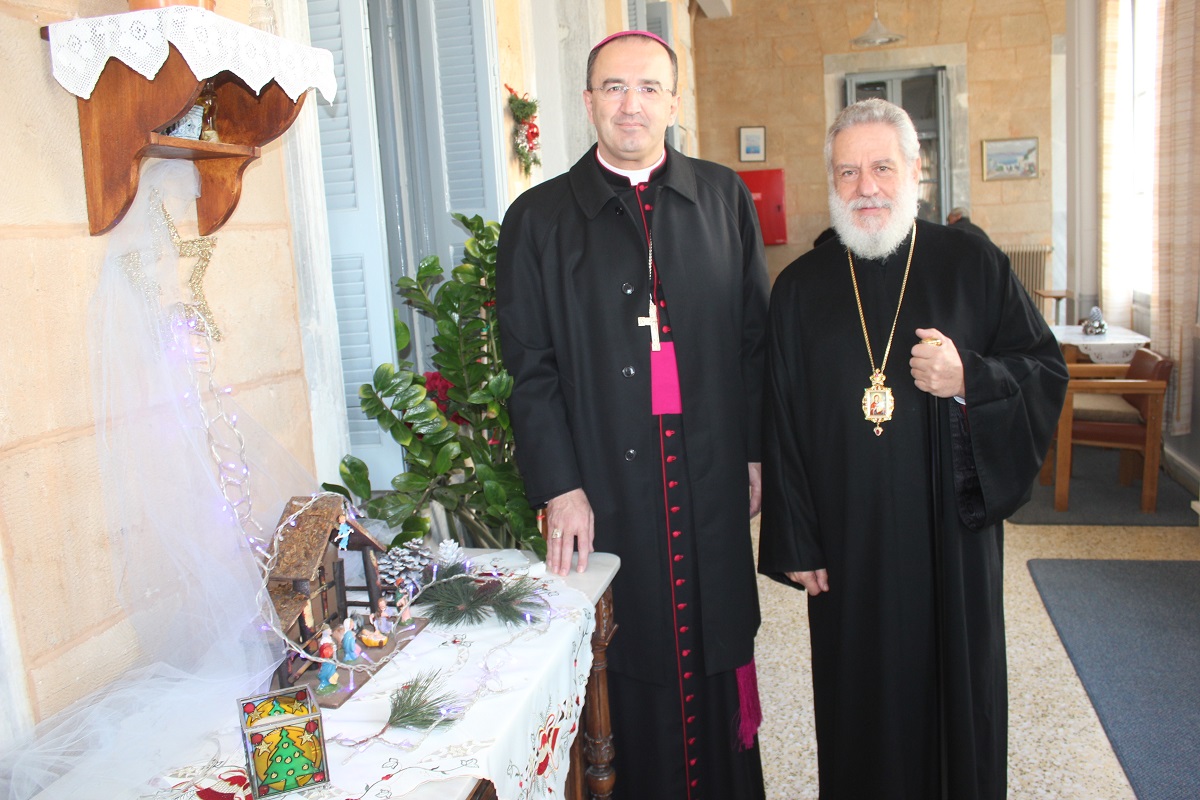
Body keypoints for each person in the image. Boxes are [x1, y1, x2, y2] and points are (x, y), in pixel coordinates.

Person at [758, 98, 1068, 800]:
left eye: (882, 168)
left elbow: (1044, 369)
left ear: (915, 170)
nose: (865, 187)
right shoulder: (800, 288)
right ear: (831, 181)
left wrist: (970, 379)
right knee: (858, 704)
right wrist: (797, 539)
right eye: (848, 172)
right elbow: (780, 420)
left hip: (949, 542)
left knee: (958, 699)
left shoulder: (972, 263)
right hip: (848, 543)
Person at [496, 29, 769, 800]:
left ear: (674, 103)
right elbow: (530, 370)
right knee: (627, 659)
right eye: (614, 87)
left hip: (708, 478)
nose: (631, 105)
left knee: (714, 640)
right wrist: (560, 487)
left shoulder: (723, 200)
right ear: (588, 102)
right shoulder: (538, 219)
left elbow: (755, 341)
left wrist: (753, 453)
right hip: (605, 490)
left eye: (649, 88)